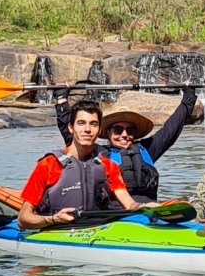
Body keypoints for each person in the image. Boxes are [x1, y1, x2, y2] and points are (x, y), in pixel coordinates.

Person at [15, 98, 139, 228]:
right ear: (70, 127)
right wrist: (53, 219)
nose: (87, 129)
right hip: (57, 231)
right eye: (81, 123)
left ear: (99, 129)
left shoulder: (108, 165)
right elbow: (22, 219)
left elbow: (129, 204)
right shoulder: (49, 164)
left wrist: (146, 207)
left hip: (97, 230)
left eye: (93, 124)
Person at [99, 87, 198, 207]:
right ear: (108, 132)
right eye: (118, 130)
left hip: (150, 209)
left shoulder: (146, 149)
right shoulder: (99, 153)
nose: (124, 135)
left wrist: (188, 100)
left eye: (130, 130)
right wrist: (67, 103)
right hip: (115, 213)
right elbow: (74, 138)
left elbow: (171, 128)